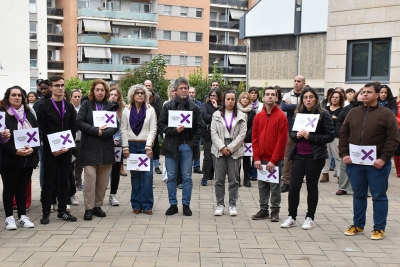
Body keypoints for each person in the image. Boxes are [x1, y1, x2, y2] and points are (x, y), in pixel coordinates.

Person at [340, 82, 400, 240]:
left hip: (377, 164)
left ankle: (379, 228)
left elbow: (393, 138)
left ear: (378, 95)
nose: (364, 94)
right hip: (355, 163)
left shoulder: (386, 114)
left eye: (369, 92)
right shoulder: (353, 113)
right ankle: (358, 225)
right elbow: (344, 134)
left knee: (379, 196)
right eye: (363, 92)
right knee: (358, 195)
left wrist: (384, 158)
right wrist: (344, 154)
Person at [280, 87, 334, 230]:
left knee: (311, 187)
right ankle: (292, 217)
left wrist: (312, 137)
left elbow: (330, 136)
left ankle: (310, 218)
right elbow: (292, 133)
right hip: (298, 155)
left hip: (314, 157)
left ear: (316, 98)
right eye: (305, 97)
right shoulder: (298, 114)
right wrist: (295, 136)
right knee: (293, 187)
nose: (308, 100)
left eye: (311, 97)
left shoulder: (324, 114)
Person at [158, 77, 203, 216]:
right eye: (181, 88)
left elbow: (200, 127)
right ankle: (173, 204)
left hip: (187, 146)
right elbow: (160, 125)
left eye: (186, 88)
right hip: (171, 146)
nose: (184, 90)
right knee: (171, 176)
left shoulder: (194, 108)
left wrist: (192, 143)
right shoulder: (168, 106)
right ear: (175, 90)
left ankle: (186, 205)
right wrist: (173, 131)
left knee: (187, 177)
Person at [38, 75, 78, 224]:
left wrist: (68, 145)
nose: (60, 88)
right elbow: (42, 129)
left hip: (66, 149)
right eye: (57, 86)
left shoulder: (68, 106)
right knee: (48, 182)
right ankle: (45, 212)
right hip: (50, 150)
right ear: (50, 88)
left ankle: (62, 211)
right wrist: (52, 147)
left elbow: (73, 127)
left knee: (64, 181)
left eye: (62, 85)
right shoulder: (44, 106)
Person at [77, 79, 118, 221]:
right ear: (93, 91)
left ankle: (97, 206)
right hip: (89, 147)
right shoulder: (86, 104)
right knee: (90, 179)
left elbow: (115, 126)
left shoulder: (110, 106)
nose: (100, 92)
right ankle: (88, 208)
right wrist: (96, 131)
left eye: (102, 90)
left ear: (106, 92)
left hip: (106, 148)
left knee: (102, 181)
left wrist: (104, 133)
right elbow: (79, 122)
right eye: (97, 90)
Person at [1, 87, 38, 230]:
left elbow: (37, 134)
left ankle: (22, 217)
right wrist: (15, 151)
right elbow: (1, 140)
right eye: (13, 95)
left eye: (19, 95)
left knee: (22, 188)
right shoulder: (3, 114)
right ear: (8, 97)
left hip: (27, 158)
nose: (17, 98)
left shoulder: (29, 113)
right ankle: (9, 218)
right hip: (9, 158)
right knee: (9, 188)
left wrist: (32, 149)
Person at [251, 87, 288, 221]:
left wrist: (273, 160)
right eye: (267, 94)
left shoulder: (281, 117)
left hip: (275, 160)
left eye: (273, 94)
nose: (270, 97)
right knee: (262, 185)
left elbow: (282, 141)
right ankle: (263, 209)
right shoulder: (258, 116)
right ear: (263, 98)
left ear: (277, 98)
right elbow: (254, 138)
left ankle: (275, 211)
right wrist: (256, 158)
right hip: (261, 159)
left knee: (275, 186)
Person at [121, 84, 157, 214]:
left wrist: (148, 146)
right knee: (135, 178)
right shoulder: (126, 110)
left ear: (146, 95)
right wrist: (125, 147)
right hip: (131, 146)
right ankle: (136, 204)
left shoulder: (150, 110)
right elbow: (123, 129)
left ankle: (147, 205)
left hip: (144, 146)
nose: (140, 95)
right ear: (132, 95)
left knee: (147, 177)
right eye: (137, 93)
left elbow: (153, 129)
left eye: (142, 93)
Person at [212, 90, 247, 216]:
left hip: (235, 149)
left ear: (235, 100)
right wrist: (222, 147)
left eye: (233, 99)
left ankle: (233, 205)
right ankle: (220, 205)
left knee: (234, 180)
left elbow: (242, 135)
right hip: (219, 149)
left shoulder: (241, 116)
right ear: (224, 100)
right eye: (228, 99)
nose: (230, 102)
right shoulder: (216, 115)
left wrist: (231, 148)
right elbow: (213, 133)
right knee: (219, 179)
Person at [280, 75, 306, 193]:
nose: (296, 83)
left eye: (299, 81)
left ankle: (299, 180)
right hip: (291, 130)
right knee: (288, 156)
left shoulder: (307, 95)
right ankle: (286, 182)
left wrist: (293, 106)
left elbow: (308, 106)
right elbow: (284, 107)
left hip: (305, 130)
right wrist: (300, 106)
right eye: (295, 81)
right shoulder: (287, 95)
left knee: (303, 156)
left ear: (303, 83)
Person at [335, 89, 363, 195]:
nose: (364, 95)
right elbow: (339, 121)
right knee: (344, 164)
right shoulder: (348, 109)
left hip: (365, 144)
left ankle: (365, 189)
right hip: (349, 141)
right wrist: (340, 133)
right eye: (361, 93)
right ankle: (343, 187)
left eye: (367, 93)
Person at [320, 91, 344, 183]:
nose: (334, 99)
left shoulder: (342, 110)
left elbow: (340, 122)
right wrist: (332, 118)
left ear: (340, 99)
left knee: (337, 156)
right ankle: (325, 174)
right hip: (325, 135)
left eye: (337, 97)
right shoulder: (324, 109)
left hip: (336, 135)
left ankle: (339, 175)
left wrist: (334, 119)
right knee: (325, 155)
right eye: (333, 97)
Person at [200, 89, 222, 186]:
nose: (213, 97)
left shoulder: (221, 106)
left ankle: (219, 176)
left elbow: (222, 117)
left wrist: (216, 108)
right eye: (211, 95)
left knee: (218, 156)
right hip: (207, 134)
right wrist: (216, 115)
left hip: (219, 134)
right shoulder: (204, 105)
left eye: (215, 96)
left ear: (218, 97)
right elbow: (205, 116)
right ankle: (205, 176)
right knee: (207, 156)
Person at [108, 87, 125, 206]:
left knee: (115, 170)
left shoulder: (123, 111)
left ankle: (113, 195)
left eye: (115, 95)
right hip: (105, 144)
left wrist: (117, 140)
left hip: (118, 144)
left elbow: (123, 128)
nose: (113, 96)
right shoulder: (103, 108)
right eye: (111, 94)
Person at [237, 91, 256, 187]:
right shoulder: (235, 110)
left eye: (247, 98)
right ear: (240, 99)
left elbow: (253, 127)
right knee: (236, 159)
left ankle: (246, 179)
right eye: (243, 97)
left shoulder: (252, 112)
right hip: (236, 139)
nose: (245, 99)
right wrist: (239, 139)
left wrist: (245, 138)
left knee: (247, 159)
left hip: (247, 140)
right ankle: (237, 179)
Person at [144, 80, 162, 175]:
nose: (148, 87)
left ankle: (156, 166)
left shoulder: (156, 98)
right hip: (143, 128)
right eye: (146, 85)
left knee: (155, 147)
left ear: (152, 86)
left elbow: (159, 111)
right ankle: (145, 165)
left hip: (154, 126)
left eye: (149, 85)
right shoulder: (141, 97)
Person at [70, 89, 84, 191]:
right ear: (71, 97)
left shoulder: (83, 109)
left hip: (80, 139)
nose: (77, 98)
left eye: (79, 97)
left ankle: (78, 181)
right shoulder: (68, 108)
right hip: (70, 140)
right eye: (75, 96)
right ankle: (70, 182)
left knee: (79, 163)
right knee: (70, 162)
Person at [188, 87, 203, 175]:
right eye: (190, 92)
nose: (191, 94)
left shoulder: (199, 104)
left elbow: (200, 116)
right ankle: (188, 166)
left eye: (193, 92)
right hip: (187, 131)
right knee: (188, 150)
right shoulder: (184, 103)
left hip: (196, 130)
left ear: (195, 94)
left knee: (197, 149)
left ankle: (196, 167)